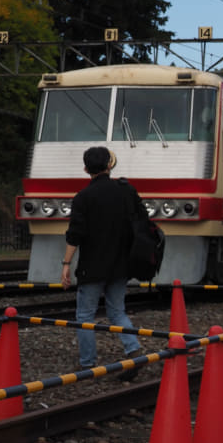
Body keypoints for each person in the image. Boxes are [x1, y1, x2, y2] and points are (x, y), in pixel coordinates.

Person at [61, 147, 144, 380]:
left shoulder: (83, 197)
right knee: (117, 311)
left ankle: (88, 364)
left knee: (85, 316)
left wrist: (66, 264)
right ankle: (133, 349)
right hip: (120, 264)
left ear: (86, 169)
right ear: (109, 166)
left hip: (92, 266)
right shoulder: (125, 192)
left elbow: (74, 234)